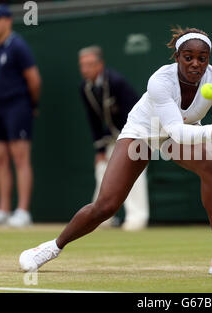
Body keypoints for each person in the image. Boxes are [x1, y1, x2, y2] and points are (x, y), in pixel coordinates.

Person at [19, 26, 212, 275]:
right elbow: (176, 131)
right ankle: (52, 247)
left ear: (208, 60)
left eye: (202, 59)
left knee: (210, 165)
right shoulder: (160, 81)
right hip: (144, 132)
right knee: (106, 206)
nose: (195, 64)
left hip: (180, 133)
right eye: (188, 57)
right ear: (177, 57)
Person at [0, 4, 41, 227]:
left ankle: (23, 211)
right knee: (0, 159)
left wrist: (32, 104)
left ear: (7, 21)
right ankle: (4, 210)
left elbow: (34, 79)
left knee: (20, 158)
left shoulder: (18, 46)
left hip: (18, 106)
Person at [78, 46, 149, 231]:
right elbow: (93, 119)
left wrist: (129, 140)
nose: (85, 69)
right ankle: (101, 218)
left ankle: (137, 218)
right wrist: (99, 150)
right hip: (114, 137)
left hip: (138, 132)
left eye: (89, 65)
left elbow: (134, 112)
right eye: (82, 65)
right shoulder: (85, 88)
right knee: (102, 169)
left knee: (133, 172)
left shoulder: (117, 82)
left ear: (100, 65)